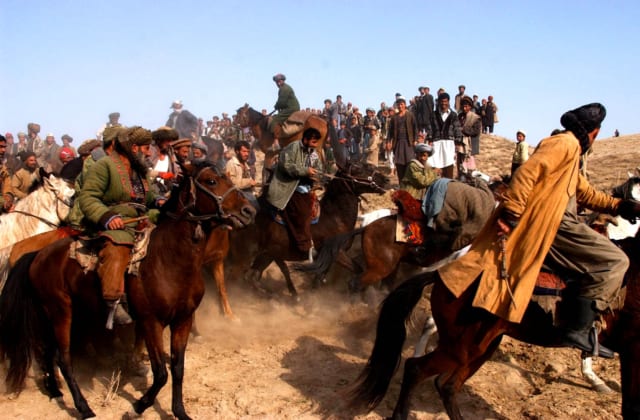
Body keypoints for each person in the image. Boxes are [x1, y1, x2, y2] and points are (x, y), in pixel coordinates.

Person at [438, 103, 640, 358]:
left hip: (561, 222)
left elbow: (584, 192)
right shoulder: (563, 145)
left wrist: (619, 205)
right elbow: (526, 174)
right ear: (595, 132)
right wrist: (511, 213)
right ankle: (578, 327)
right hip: (553, 226)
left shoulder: (571, 151)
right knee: (616, 261)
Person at [79, 126, 164, 329]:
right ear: (134, 147)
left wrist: (159, 201)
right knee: (118, 245)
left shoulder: (140, 172)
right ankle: (113, 300)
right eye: (145, 148)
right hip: (112, 225)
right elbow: (88, 197)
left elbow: (147, 198)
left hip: (140, 222)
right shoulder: (105, 166)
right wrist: (106, 216)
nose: (149, 152)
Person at [266, 127, 322, 261]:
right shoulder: (292, 147)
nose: (315, 145)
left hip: (305, 187)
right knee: (302, 213)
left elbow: (318, 168)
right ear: (306, 139)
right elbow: (286, 166)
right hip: (287, 187)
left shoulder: (313, 153)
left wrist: (317, 176)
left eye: (316, 142)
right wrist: (305, 171)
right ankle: (304, 247)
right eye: (313, 142)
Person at [428, 92, 462, 179]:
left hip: (449, 143)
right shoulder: (433, 115)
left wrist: (458, 142)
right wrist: (430, 139)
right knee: (435, 166)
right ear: (439, 102)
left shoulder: (453, 115)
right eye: (442, 101)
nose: (443, 103)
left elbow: (457, 128)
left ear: (448, 102)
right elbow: (430, 128)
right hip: (437, 143)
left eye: (445, 101)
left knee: (448, 167)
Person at [388, 96, 418, 182]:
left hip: (409, 143)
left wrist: (415, 140)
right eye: (398, 104)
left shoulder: (410, 115)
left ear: (405, 105)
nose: (400, 106)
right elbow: (390, 131)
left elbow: (415, 128)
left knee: (410, 163)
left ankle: (409, 184)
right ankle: (401, 184)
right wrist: (388, 142)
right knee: (399, 163)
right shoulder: (394, 117)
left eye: (402, 104)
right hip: (398, 143)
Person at [458, 96, 482, 176]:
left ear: (470, 107)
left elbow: (476, 131)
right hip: (460, 145)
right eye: (463, 106)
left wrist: (464, 130)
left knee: (469, 167)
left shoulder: (475, 118)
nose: (464, 108)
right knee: (460, 165)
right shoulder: (460, 116)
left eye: (466, 106)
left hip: (470, 145)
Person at [0, 135, 11, 212]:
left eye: (4, 147)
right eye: (0, 147)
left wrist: (8, 197)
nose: (3, 150)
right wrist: (3, 202)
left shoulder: (3, 168)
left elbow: (8, 186)